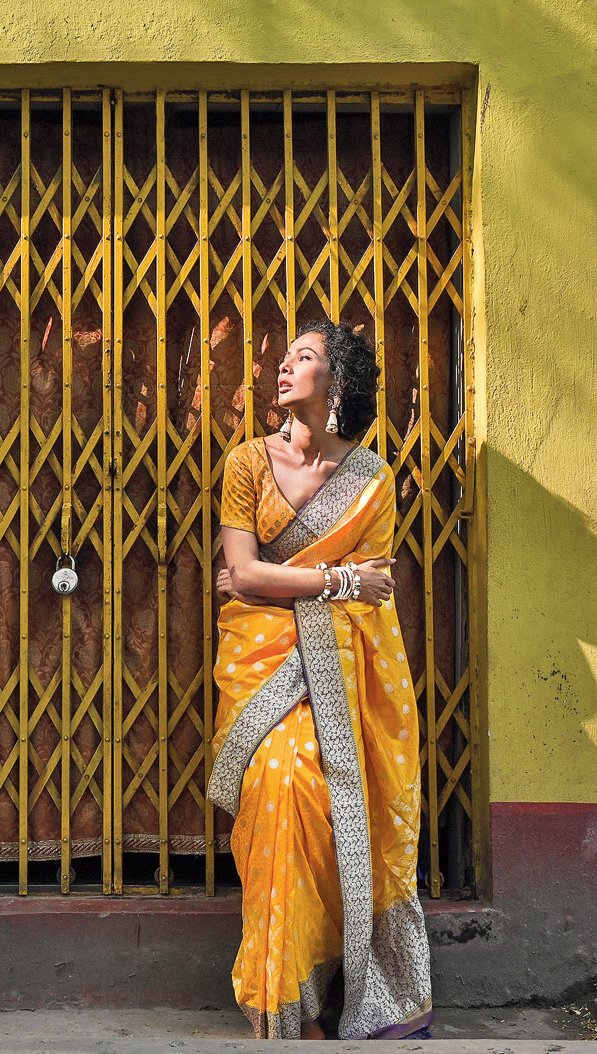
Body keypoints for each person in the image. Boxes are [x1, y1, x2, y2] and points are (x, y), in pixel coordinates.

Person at [206, 319, 432, 1041]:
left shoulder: (371, 481)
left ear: (335, 383)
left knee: (323, 790)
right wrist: (332, 580)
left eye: (303, 358)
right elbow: (239, 574)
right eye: (284, 357)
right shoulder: (245, 463)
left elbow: (377, 593)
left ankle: (323, 980)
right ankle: (277, 998)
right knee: (279, 780)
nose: (281, 367)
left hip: (336, 673)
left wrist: (284, 584)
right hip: (260, 663)